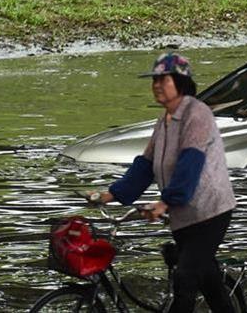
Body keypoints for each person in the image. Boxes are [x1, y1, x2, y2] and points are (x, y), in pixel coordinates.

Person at [86, 53, 237, 313]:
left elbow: (190, 164)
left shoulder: (197, 114)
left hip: (210, 212)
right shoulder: (164, 121)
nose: (156, 85)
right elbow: (145, 166)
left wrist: (165, 202)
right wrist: (109, 195)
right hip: (183, 215)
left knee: (185, 279)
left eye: (163, 80)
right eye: (154, 80)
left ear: (181, 82)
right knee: (210, 283)